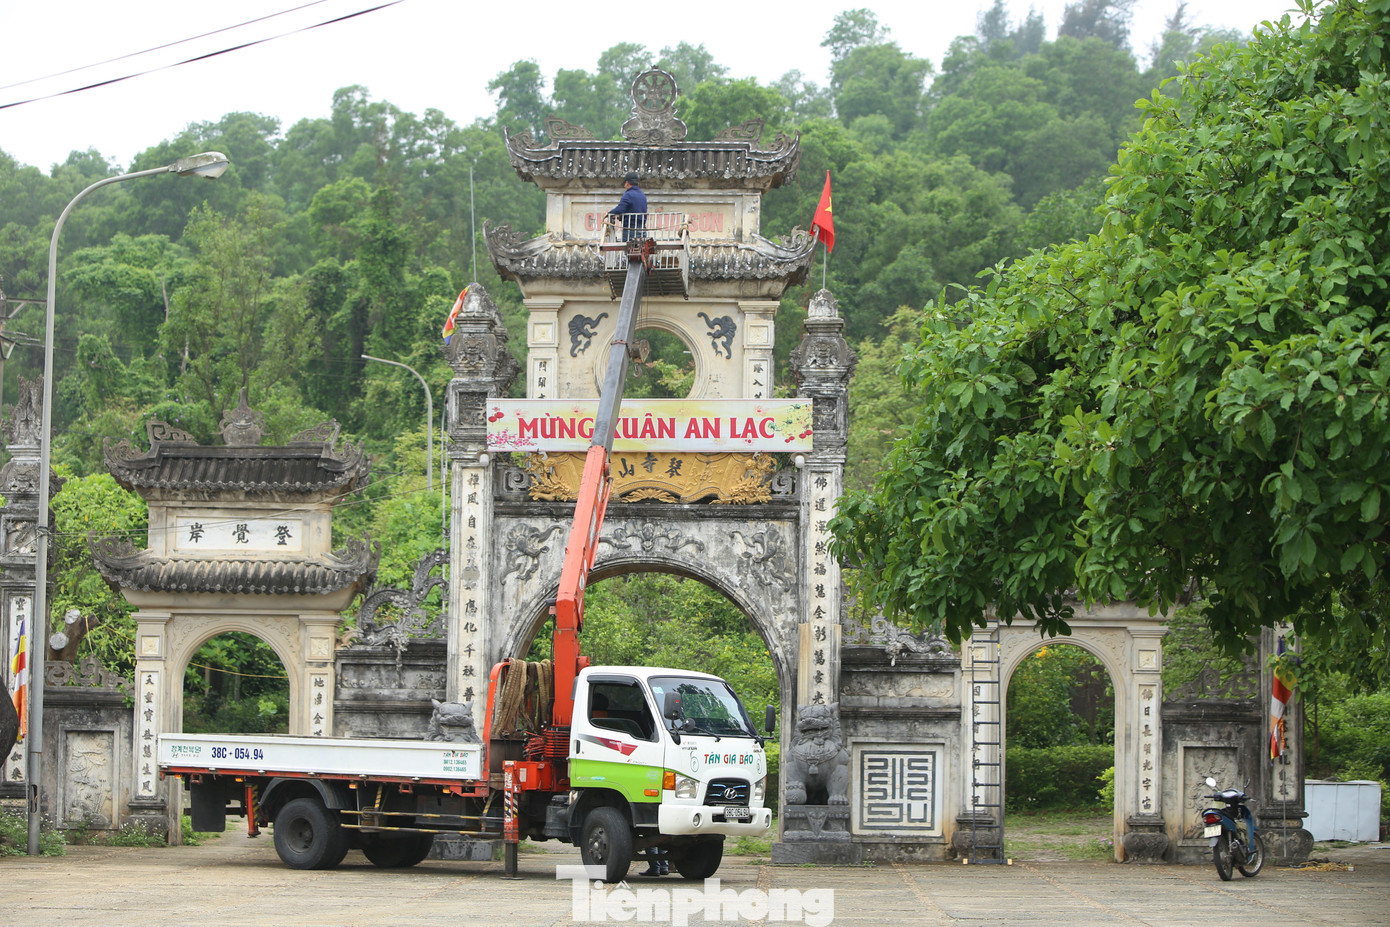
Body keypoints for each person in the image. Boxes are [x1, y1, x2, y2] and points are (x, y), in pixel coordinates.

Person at [608, 171, 647, 241]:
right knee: (641, 250)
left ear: (627, 183)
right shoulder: (642, 195)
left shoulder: (628, 194)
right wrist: (621, 217)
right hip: (642, 228)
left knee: (629, 250)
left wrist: (609, 213)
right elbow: (635, 210)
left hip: (630, 229)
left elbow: (620, 209)